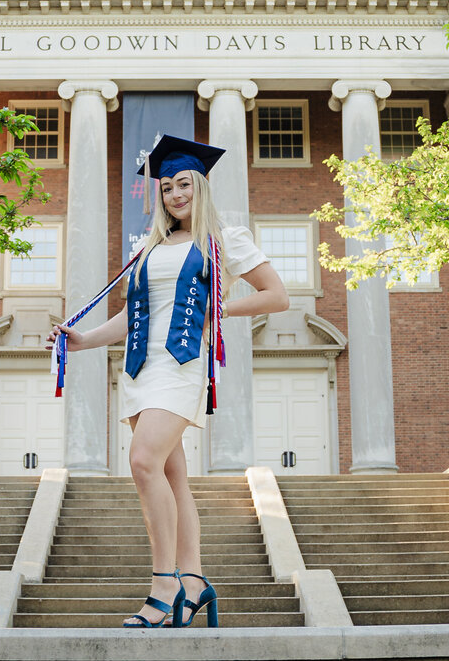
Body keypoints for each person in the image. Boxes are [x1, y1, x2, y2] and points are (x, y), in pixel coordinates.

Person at [47, 135, 289, 629]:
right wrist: (84, 339)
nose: (175, 194)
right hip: (140, 367)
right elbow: (133, 314)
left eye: (184, 184)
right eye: (166, 188)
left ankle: (164, 585)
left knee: (141, 461)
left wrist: (216, 312)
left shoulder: (224, 239)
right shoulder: (150, 247)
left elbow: (276, 295)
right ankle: (195, 581)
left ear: (199, 186)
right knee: (173, 477)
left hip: (180, 367)